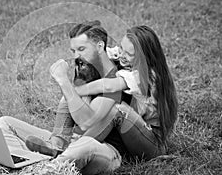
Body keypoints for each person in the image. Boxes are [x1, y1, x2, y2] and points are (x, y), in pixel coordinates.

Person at [26, 25, 178, 174]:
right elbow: (105, 51)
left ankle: (70, 149)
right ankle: (57, 144)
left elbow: (109, 86)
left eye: (129, 54)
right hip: (134, 132)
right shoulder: (127, 58)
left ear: (145, 56)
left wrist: (77, 89)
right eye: (122, 48)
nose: (122, 55)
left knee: (119, 111)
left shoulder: (147, 76)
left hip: (151, 143)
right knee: (72, 96)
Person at [0, 20, 127, 174]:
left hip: (105, 150)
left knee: (84, 146)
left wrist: (63, 80)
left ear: (100, 46)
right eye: (73, 51)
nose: (77, 56)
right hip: (70, 143)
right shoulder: (86, 67)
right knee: (4, 124)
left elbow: (85, 122)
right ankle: (34, 159)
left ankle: (43, 166)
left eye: (82, 49)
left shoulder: (116, 79)